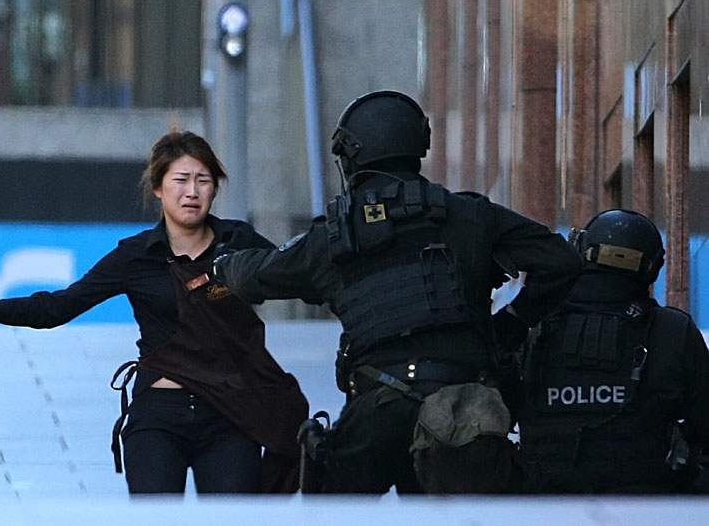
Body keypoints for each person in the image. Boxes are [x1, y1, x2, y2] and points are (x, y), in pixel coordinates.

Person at [211, 90, 582, 494]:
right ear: (418, 145)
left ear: (351, 156)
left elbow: (253, 276)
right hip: (462, 411)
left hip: (377, 410)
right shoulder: (471, 215)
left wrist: (220, 261)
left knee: (326, 499)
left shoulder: (333, 237)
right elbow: (560, 261)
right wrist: (510, 323)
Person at [0, 129, 308, 495]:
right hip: (159, 417)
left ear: (215, 188)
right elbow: (60, 305)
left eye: (203, 180)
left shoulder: (240, 242)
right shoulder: (136, 255)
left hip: (231, 415)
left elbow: (297, 276)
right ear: (159, 188)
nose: (192, 191)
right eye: (181, 179)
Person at [518, 209, 709, 494]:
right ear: (652, 268)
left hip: (541, 505)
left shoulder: (532, 323)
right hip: (654, 507)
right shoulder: (673, 331)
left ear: (581, 252)